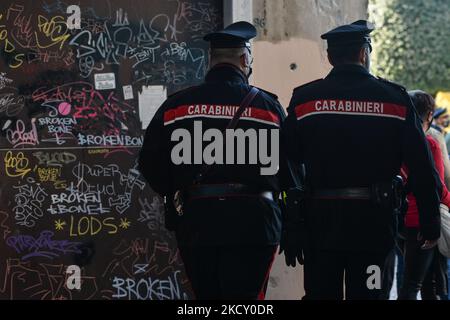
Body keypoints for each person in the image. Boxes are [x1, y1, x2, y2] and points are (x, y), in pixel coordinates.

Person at [281, 20, 442, 300]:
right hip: (374, 228)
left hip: (320, 227)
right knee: (369, 295)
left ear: (330, 57)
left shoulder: (305, 99)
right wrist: (430, 223)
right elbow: (422, 167)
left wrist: (291, 222)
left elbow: (284, 161)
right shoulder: (395, 99)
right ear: (364, 54)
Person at [138, 21, 294, 299]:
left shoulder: (177, 106)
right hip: (256, 224)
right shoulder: (268, 108)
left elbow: (150, 164)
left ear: (210, 61)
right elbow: (291, 168)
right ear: (245, 59)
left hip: (198, 222)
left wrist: (180, 190)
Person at [398, 90, 450, 300]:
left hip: (400, 221)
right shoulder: (430, 143)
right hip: (424, 221)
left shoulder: (395, 141)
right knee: (422, 285)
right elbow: (436, 186)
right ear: (429, 115)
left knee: (416, 281)